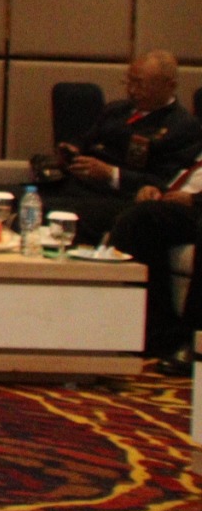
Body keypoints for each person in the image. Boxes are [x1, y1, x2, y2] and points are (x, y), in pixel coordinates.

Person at [47, 51, 202, 245]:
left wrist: (111, 173)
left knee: (60, 213)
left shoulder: (183, 126)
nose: (132, 90)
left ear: (169, 86)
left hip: (121, 197)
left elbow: (163, 181)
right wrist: (71, 151)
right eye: (129, 82)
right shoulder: (116, 110)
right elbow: (85, 142)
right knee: (21, 198)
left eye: (140, 84)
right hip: (81, 186)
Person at [118, 157, 200, 371]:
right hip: (187, 205)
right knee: (142, 218)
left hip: (196, 205)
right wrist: (157, 190)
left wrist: (194, 199)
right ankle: (150, 335)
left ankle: (193, 341)